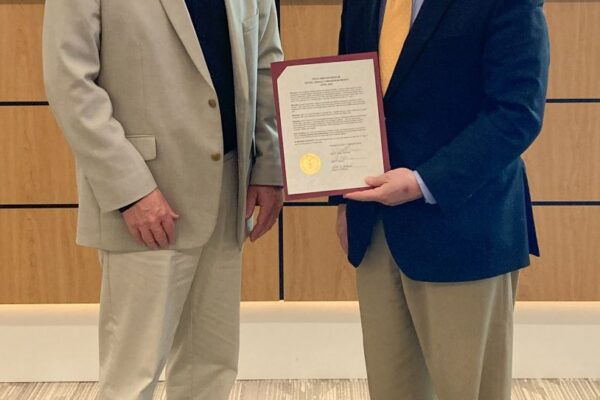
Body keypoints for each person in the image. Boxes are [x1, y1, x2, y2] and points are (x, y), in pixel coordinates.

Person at [43, 1, 283, 399]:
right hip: (146, 195)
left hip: (229, 185)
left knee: (210, 366)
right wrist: (130, 190)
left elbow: (265, 62)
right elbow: (71, 83)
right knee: (132, 376)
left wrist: (268, 165)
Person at [333, 0, 550, 399]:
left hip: (464, 225)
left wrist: (422, 182)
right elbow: (348, 93)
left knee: (467, 389)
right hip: (377, 229)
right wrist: (343, 199)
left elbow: (517, 113)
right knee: (392, 388)